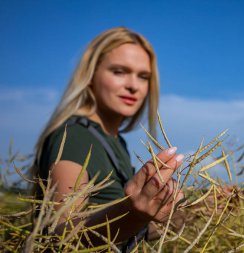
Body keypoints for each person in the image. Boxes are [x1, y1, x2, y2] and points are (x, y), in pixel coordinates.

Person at [32, 27, 185, 250]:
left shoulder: (116, 142)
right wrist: (133, 213)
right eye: (119, 71)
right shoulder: (75, 136)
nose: (133, 85)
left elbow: (128, 232)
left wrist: (198, 211)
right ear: (91, 75)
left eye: (143, 76)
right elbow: (60, 236)